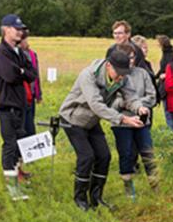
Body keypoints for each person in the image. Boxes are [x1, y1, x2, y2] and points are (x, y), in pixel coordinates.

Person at [59, 49, 144, 211]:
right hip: (73, 119)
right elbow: (96, 105)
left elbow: (131, 97)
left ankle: (97, 198)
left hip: (91, 120)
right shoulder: (88, 75)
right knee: (87, 157)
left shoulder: (122, 77)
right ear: (108, 66)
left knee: (104, 156)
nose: (121, 77)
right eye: (118, 73)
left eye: (124, 74)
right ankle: (80, 200)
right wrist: (123, 119)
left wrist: (139, 108)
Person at [0, 14, 37, 200]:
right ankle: (12, 189)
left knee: (19, 143)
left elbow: (32, 73)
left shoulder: (18, 51)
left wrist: (21, 71)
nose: (20, 32)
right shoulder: (1, 52)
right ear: (5, 30)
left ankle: (17, 182)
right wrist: (21, 72)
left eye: (21, 29)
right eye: (16, 29)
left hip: (19, 105)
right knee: (10, 144)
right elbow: (10, 76)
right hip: (6, 105)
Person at [110, 42, 158, 201]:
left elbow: (152, 97)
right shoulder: (115, 75)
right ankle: (128, 186)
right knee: (126, 153)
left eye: (133, 57)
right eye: (127, 58)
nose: (131, 61)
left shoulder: (142, 74)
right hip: (122, 122)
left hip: (142, 120)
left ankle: (155, 183)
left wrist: (137, 104)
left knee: (147, 150)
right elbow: (112, 102)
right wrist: (125, 104)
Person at [19, 30, 42, 138]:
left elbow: (36, 74)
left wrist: (38, 94)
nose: (26, 42)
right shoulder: (16, 55)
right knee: (24, 126)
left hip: (31, 94)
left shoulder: (32, 54)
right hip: (22, 95)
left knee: (30, 122)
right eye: (24, 39)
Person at [155, 35, 173, 129]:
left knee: (168, 110)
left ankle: (172, 130)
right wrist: (155, 76)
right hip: (166, 83)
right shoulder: (168, 53)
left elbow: (168, 68)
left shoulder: (169, 55)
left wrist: (163, 75)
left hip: (167, 85)